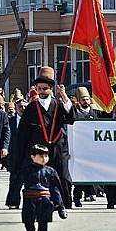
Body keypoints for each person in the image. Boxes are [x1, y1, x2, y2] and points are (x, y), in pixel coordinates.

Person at [19, 66, 76, 210]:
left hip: (58, 147)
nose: (42, 91)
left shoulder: (58, 104)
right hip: (39, 149)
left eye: (45, 88)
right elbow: (23, 133)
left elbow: (71, 118)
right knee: (38, 177)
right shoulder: (31, 108)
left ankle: (63, 203)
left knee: (62, 175)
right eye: (39, 88)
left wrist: (64, 96)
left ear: (51, 89)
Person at [21, 144, 68, 231]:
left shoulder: (50, 171)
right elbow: (17, 184)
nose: (44, 159)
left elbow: (56, 189)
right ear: (33, 157)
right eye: (41, 156)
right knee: (28, 218)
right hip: (30, 198)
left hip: (45, 198)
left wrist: (60, 205)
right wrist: (13, 198)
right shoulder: (26, 170)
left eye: (46, 156)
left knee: (44, 219)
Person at [72, 87, 98, 207]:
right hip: (78, 148)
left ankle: (90, 193)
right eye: (83, 100)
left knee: (90, 172)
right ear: (79, 101)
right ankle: (76, 197)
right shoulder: (75, 113)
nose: (85, 102)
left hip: (91, 149)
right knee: (79, 174)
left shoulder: (95, 112)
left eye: (87, 99)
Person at [5, 99, 27, 209]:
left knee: (29, 180)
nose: (22, 109)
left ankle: (29, 203)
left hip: (28, 155)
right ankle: (13, 202)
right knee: (14, 179)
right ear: (16, 108)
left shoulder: (31, 120)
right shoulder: (10, 121)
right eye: (20, 107)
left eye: (24, 106)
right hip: (14, 155)